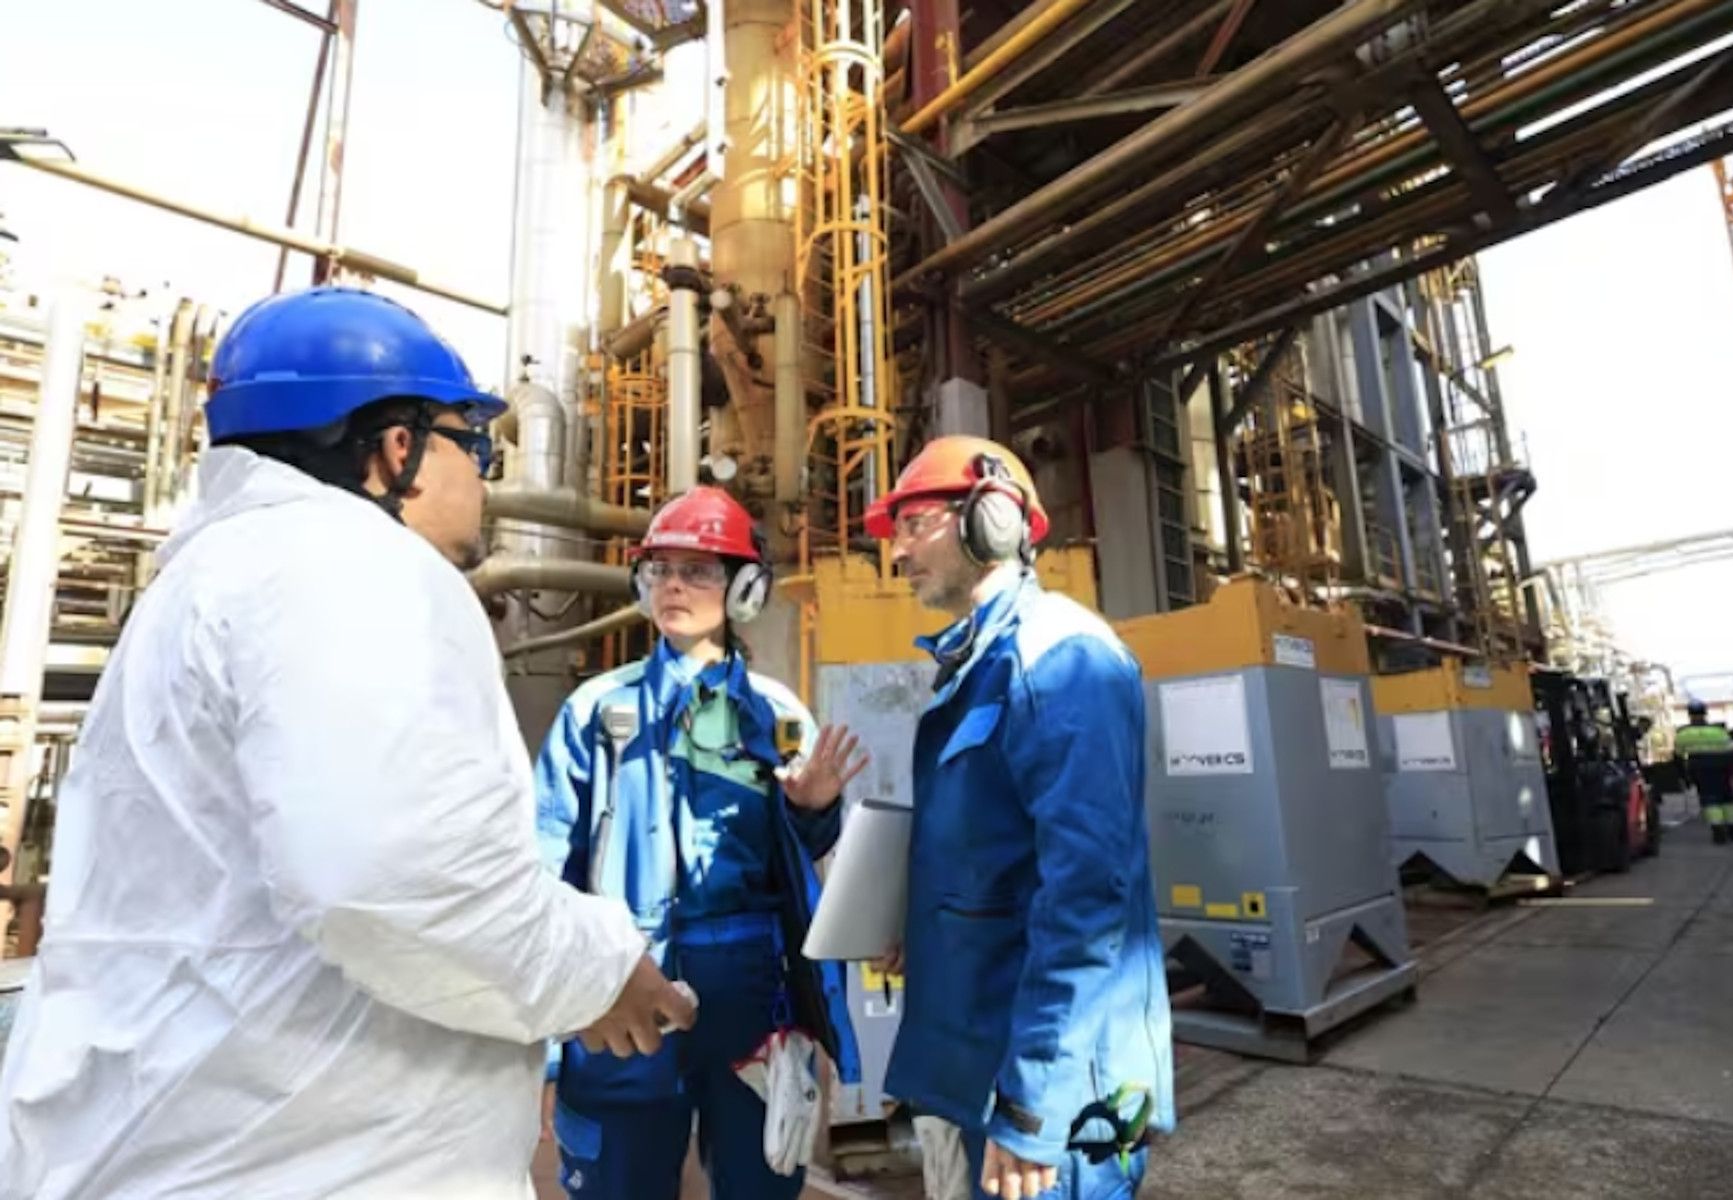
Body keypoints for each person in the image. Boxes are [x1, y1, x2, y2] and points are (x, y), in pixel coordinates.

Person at [0, 287, 696, 1200]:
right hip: (319, 1157)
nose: (485, 476)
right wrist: (597, 971)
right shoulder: (351, 564)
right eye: (474, 445)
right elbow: (393, 878)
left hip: (196, 1132)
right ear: (396, 449)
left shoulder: (205, 579)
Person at [536, 485, 867, 1200]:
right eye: (660, 569)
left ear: (744, 588)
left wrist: (813, 810)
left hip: (750, 986)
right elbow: (543, 867)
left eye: (700, 570)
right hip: (623, 976)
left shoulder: (776, 716)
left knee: (758, 1181)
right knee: (618, 1182)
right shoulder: (595, 711)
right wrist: (551, 1037)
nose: (675, 585)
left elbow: (802, 866)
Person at [865, 436, 1175, 1200]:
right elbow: (997, 859)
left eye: (913, 525)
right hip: (991, 1060)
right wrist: (926, 924)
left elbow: (1088, 902)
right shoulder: (984, 661)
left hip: (1060, 1087)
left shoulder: (1060, 659)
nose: (896, 552)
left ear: (990, 519)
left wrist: (1034, 1106)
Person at [1675, 699, 1733, 845]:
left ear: (1689, 715)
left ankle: (1718, 831)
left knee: (1710, 800)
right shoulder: (1718, 732)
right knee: (1727, 798)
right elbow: (1732, 753)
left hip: (1700, 770)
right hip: (1722, 768)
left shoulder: (1683, 734)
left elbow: (1678, 757)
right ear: (1705, 713)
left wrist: (1683, 777)